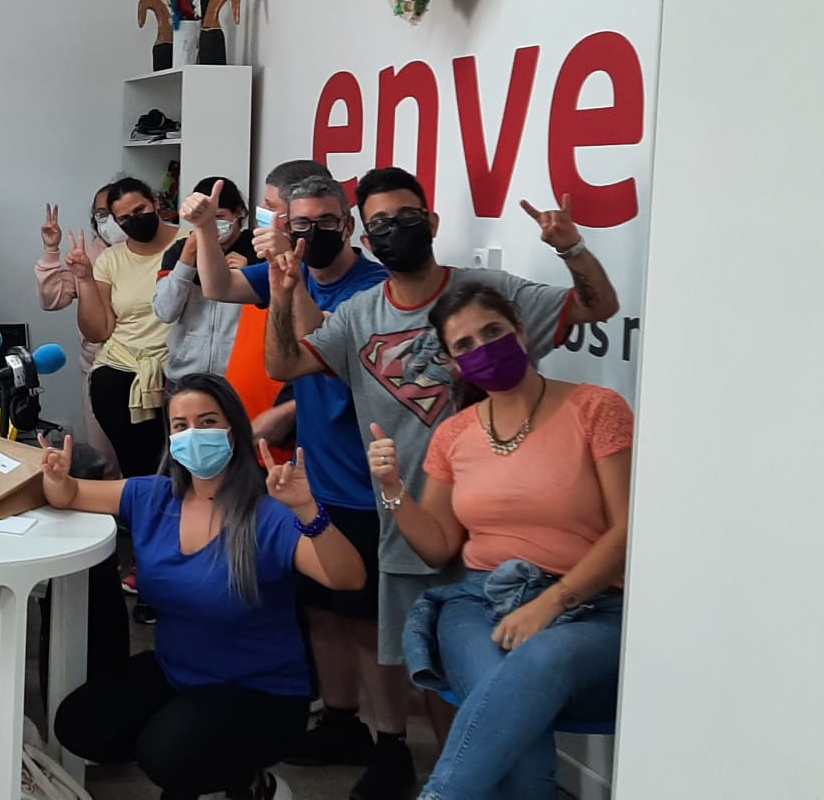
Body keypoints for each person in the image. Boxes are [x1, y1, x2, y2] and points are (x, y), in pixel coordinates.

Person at [263, 167, 619, 757]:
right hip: (413, 522)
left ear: (430, 221)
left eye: (406, 217)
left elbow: (598, 305)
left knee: (518, 673)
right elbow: (284, 365)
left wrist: (571, 248)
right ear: (366, 238)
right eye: (380, 223)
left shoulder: (486, 296)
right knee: (438, 671)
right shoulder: (357, 315)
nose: (395, 229)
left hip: (500, 519)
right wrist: (282, 295)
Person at [48, 375, 366, 800]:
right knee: (79, 725)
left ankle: (249, 781)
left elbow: (348, 578)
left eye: (207, 421)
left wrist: (309, 510)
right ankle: (207, 760)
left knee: (166, 755)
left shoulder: (267, 514)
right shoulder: (153, 496)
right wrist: (56, 477)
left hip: (261, 692)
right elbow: (69, 494)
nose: (193, 435)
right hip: (178, 673)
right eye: (180, 426)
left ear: (233, 428)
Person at [371, 283, 630, 799]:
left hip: (593, 604)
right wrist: (393, 489)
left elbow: (628, 529)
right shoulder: (454, 434)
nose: (483, 349)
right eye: (464, 345)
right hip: (479, 601)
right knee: (518, 749)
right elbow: (438, 546)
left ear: (521, 331)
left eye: (493, 332)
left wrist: (551, 603)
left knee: (542, 659)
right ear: (453, 363)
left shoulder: (596, 408)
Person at [192, 173, 401, 792]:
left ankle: (392, 743)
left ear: (348, 225)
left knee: (367, 622)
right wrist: (205, 231)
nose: (311, 235)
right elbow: (219, 286)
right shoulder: (291, 271)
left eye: (324, 223)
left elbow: (323, 349)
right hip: (314, 478)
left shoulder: (374, 288)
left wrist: (290, 274)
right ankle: (341, 720)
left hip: (367, 480)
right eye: (299, 223)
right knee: (321, 612)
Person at [65, 177, 186, 477]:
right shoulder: (111, 259)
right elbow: (99, 331)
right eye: (124, 218)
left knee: (179, 468)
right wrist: (84, 279)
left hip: (176, 371)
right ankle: (140, 505)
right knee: (138, 469)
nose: (134, 220)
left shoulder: (189, 243)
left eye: (140, 210)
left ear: (155, 203)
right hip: (118, 370)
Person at [36, 189, 123, 477]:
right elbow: (52, 300)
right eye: (101, 213)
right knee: (104, 460)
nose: (109, 220)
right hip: (97, 367)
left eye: (115, 212)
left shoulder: (150, 251)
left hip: (145, 370)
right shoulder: (89, 252)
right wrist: (51, 250)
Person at [152, 176, 253, 388]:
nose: (212, 225)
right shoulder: (180, 250)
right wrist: (187, 259)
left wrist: (247, 276)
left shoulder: (255, 249)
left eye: (219, 216)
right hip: (185, 377)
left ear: (239, 213)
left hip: (239, 378)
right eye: (205, 218)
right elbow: (165, 312)